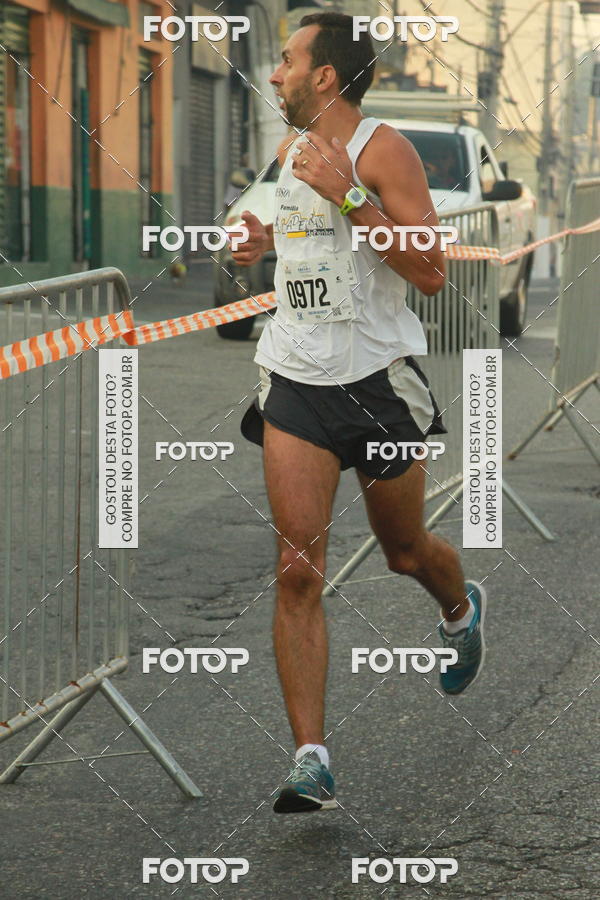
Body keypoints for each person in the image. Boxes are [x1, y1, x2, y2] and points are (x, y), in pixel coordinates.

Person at [233, 12, 486, 815]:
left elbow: (432, 272)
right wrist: (254, 241)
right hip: (294, 381)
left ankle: (460, 610)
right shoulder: (289, 151)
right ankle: (312, 760)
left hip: (377, 382)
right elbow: (291, 242)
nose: (274, 74)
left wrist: (347, 195)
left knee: (404, 551)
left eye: (286, 61)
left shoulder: (385, 151)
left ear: (324, 76)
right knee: (296, 570)